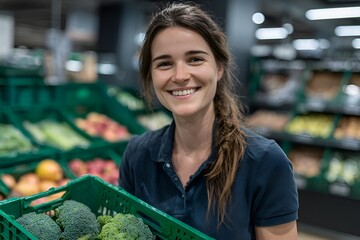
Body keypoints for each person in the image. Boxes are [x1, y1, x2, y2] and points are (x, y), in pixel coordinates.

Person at [119, 2, 298, 239]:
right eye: (164, 64)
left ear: (219, 68)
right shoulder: (137, 154)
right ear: (150, 75)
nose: (180, 76)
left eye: (195, 59)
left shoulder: (265, 162)